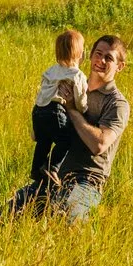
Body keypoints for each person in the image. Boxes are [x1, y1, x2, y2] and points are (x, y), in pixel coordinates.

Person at [13, 32, 129, 222]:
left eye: (109, 58)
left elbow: (99, 144)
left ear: (120, 66)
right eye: (98, 54)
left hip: (86, 181)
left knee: (65, 219)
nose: (101, 61)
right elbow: (40, 132)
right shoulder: (69, 83)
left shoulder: (117, 103)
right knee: (7, 214)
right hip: (54, 176)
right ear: (89, 55)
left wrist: (72, 109)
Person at [29, 28, 88, 188]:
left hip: (39, 110)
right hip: (56, 111)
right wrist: (83, 110)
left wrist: (34, 125)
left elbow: (42, 92)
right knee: (66, 141)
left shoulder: (50, 71)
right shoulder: (77, 75)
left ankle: (36, 169)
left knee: (43, 142)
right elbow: (80, 98)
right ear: (80, 54)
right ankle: (52, 167)